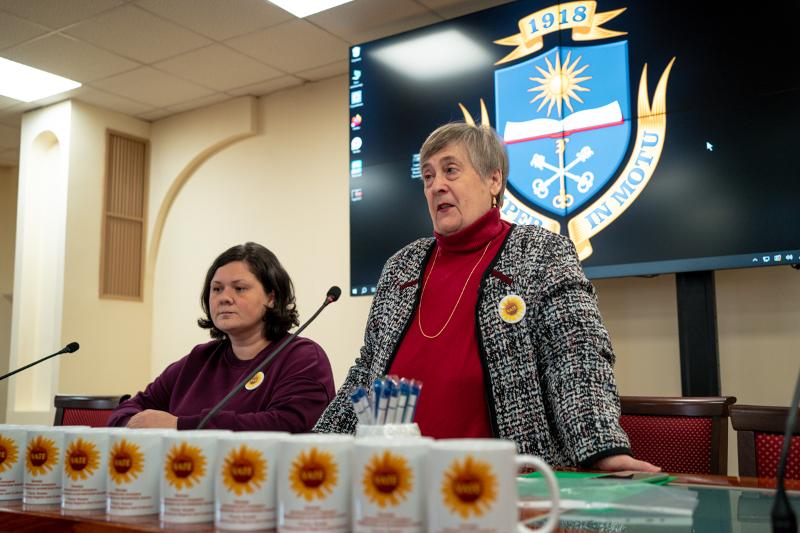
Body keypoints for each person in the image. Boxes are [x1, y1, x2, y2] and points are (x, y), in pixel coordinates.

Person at [314, 123, 657, 471]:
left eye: (450, 170)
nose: (436, 186)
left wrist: (601, 448)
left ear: (494, 180)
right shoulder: (400, 267)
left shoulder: (540, 252)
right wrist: (320, 445)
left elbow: (575, 354)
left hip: (508, 481)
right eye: (428, 176)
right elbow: (366, 370)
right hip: (396, 479)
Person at [108, 242, 335, 432]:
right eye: (217, 289)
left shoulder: (303, 357)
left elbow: (289, 425)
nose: (224, 298)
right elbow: (125, 412)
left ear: (271, 298)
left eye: (239, 288)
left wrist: (179, 425)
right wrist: (136, 424)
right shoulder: (199, 359)